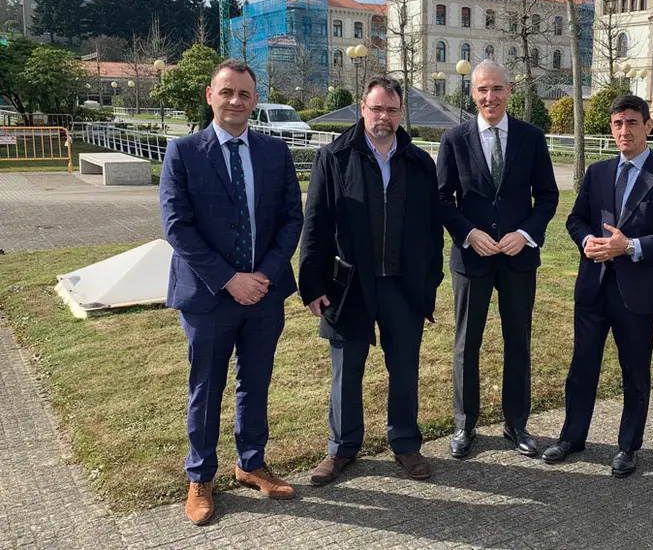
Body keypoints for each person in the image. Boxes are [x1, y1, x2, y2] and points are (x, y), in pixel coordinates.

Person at [159, 59, 304, 526]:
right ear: (210, 96)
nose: (236, 101)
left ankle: (251, 462)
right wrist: (229, 279)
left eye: (244, 94)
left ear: (255, 99)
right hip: (208, 296)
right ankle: (200, 476)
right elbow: (177, 227)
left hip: (264, 292)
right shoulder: (183, 152)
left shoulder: (274, 152)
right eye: (227, 92)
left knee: (255, 381)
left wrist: (262, 275)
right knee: (207, 386)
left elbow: (291, 219)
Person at [298, 77, 444, 484]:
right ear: (363, 107)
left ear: (401, 113)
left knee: (404, 367)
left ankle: (405, 443)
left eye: (392, 110)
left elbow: (434, 229)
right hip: (349, 285)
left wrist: (431, 279)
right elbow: (316, 224)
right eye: (376, 108)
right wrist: (312, 284)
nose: (384, 117)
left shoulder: (419, 163)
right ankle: (342, 448)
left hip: (403, 285)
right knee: (346, 370)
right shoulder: (335, 157)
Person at [541, 95, 653, 476]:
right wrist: (585, 241)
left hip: (637, 294)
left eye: (631, 123)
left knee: (634, 371)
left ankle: (628, 446)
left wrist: (632, 246)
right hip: (593, 287)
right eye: (617, 124)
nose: (624, 131)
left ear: (647, 125)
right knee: (582, 367)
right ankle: (572, 437)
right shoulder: (598, 172)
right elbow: (576, 220)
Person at [437, 60, 559, 459]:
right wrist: (469, 234)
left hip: (517, 260)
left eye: (497, 89)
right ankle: (464, 423)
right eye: (482, 90)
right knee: (466, 344)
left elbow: (547, 197)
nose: (490, 97)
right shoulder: (455, 138)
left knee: (518, 342)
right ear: (472, 94)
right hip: (472, 260)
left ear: (509, 91)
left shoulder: (531, 137)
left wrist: (524, 235)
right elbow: (441, 200)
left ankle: (516, 423)